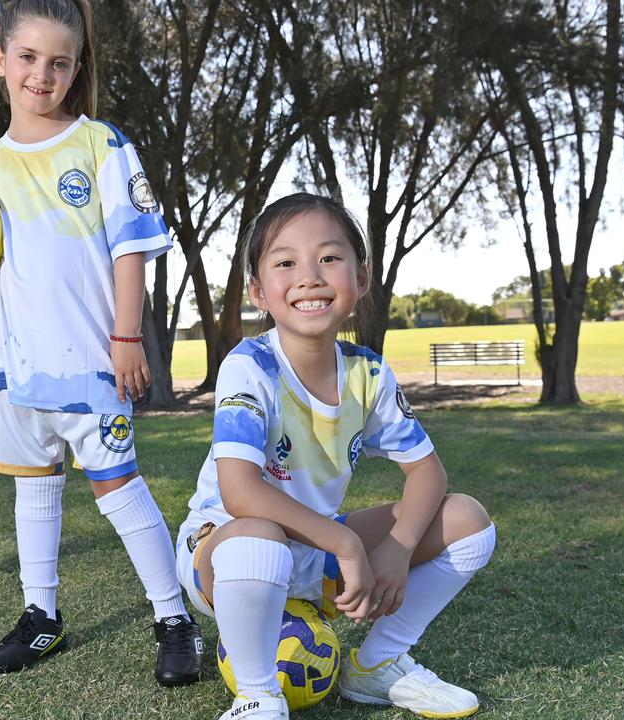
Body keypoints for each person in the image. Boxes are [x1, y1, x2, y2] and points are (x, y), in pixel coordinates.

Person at [0, 0, 202, 687]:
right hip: (13, 367)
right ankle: (41, 617)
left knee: (118, 487)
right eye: (29, 57)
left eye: (60, 62)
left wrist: (127, 336)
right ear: (0, 60)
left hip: (89, 361)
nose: (42, 74)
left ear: (76, 70)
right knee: (32, 490)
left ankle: (174, 619)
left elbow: (130, 249)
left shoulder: (101, 146)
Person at [175, 193, 497, 720]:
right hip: (224, 551)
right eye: (285, 263)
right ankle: (257, 695)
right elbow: (240, 492)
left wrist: (398, 545)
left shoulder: (368, 373)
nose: (310, 276)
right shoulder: (249, 366)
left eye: (329, 257)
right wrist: (346, 542)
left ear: (361, 278)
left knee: (469, 519)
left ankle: (377, 664)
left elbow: (427, 472)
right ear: (258, 291)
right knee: (260, 537)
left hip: (315, 548)